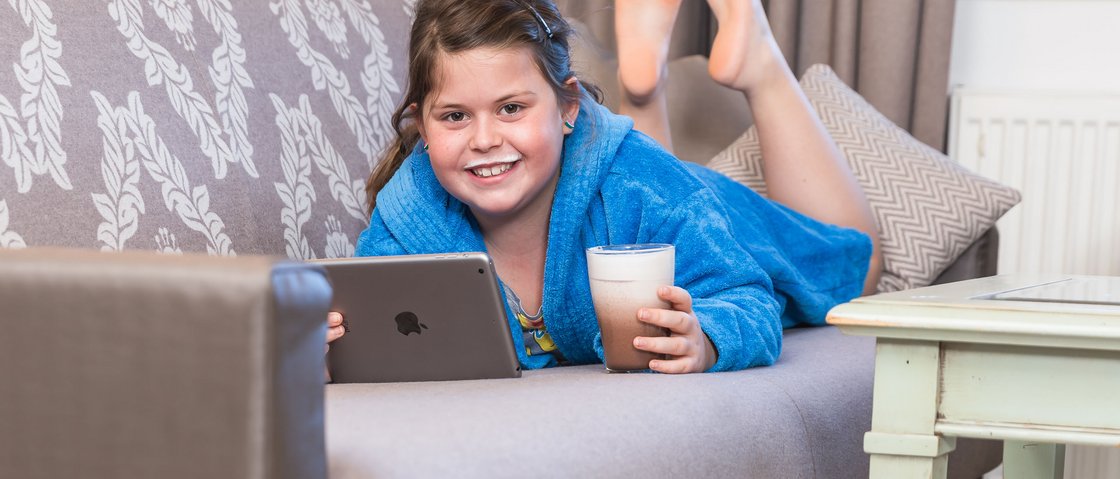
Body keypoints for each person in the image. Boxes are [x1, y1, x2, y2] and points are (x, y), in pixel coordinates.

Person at [325, 0, 882, 374]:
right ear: (422, 125)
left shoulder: (644, 185)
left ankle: (758, 60)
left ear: (568, 106)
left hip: (716, 208)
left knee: (858, 262)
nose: (485, 139)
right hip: (639, 186)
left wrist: (707, 338)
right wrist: (328, 351)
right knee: (635, 190)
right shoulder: (410, 217)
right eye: (454, 117)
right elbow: (374, 326)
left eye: (511, 108)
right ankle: (644, 87)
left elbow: (747, 298)